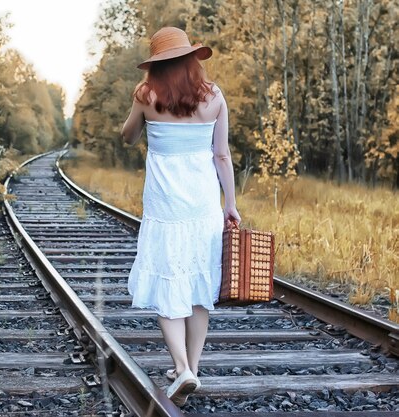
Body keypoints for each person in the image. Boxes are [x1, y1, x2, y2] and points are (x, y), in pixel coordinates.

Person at [121, 27, 241, 406]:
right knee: (200, 288)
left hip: (165, 208)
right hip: (203, 207)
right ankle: (193, 368)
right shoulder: (214, 96)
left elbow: (127, 137)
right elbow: (221, 155)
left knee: (168, 283)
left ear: (156, 65)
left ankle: (181, 366)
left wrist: (141, 119)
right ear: (192, 59)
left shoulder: (146, 95)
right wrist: (230, 204)